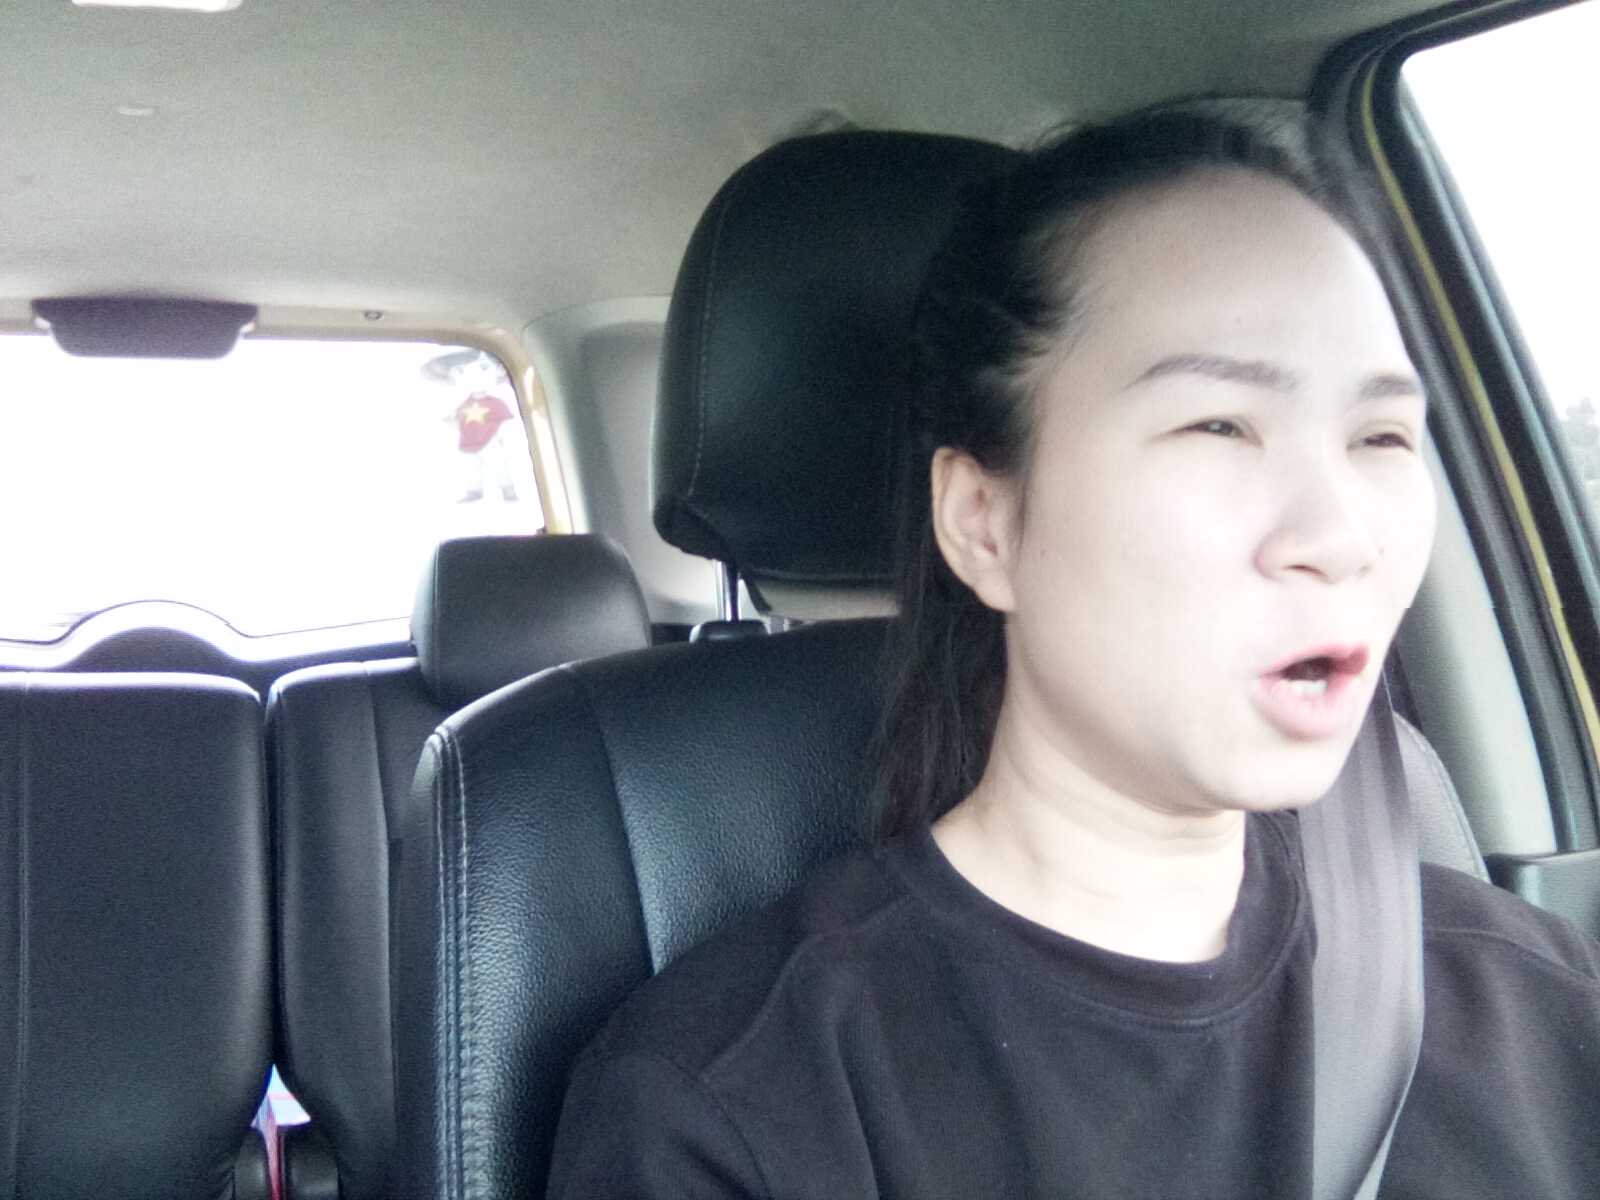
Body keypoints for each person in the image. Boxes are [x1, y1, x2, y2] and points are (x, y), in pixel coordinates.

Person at [545, 110, 1600, 1197]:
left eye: (1380, 437)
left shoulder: (1540, 1001)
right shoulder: (728, 1111)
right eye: (1219, 425)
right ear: (984, 524)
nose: (1341, 536)